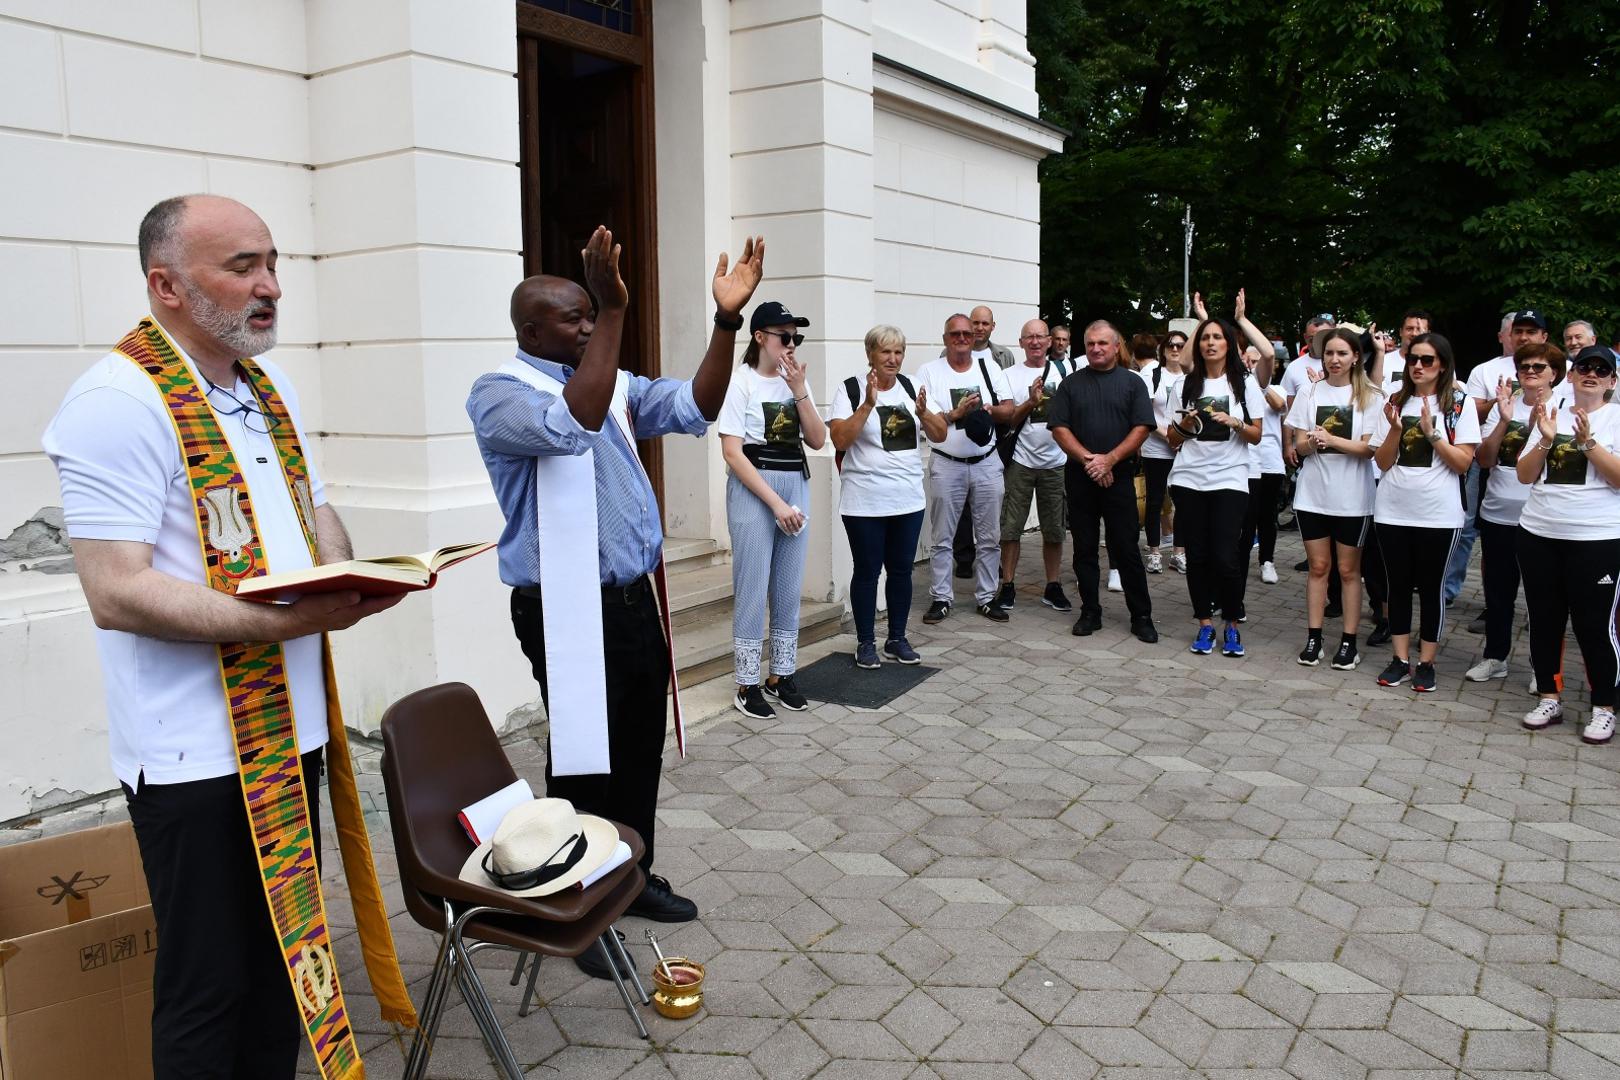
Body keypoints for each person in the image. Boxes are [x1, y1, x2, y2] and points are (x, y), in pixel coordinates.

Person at [42, 194, 414, 1076]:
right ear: (166, 284)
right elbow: (115, 592)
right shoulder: (117, 399)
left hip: (293, 738)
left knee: (284, 972)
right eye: (241, 266)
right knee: (208, 990)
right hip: (197, 759)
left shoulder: (262, 384)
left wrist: (347, 577)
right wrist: (289, 619)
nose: (271, 286)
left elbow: (312, 510)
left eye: (272, 263)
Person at [469, 227, 768, 975]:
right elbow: (574, 424)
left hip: (632, 600)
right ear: (531, 329)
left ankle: (628, 879)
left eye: (589, 314)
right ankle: (576, 907)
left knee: (637, 750)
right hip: (566, 608)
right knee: (583, 764)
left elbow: (697, 407)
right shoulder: (499, 393)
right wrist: (612, 310)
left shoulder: (614, 379)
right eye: (573, 317)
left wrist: (727, 321)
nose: (586, 325)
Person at [719, 301, 828, 718]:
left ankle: (782, 674)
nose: (791, 344)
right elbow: (732, 451)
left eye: (796, 337)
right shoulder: (740, 382)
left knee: (788, 584)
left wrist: (800, 390)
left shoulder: (795, 380)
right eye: (785, 336)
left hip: (794, 482)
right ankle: (746, 683)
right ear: (761, 337)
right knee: (751, 584)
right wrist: (777, 503)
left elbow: (818, 440)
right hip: (756, 488)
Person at [1516, 345, 1620, 744]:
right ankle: (1549, 697)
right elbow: (1525, 475)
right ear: (1572, 376)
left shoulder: (1614, 419)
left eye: (1601, 370)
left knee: (1595, 625)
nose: (1591, 374)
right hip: (1539, 533)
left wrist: (1589, 444)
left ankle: (1604, 707)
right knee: (1544, 619)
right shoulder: (1550, 413)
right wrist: (1544, 439)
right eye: (1584, 368)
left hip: (1597, 539)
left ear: (1611, 381)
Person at [1369, 333, 1480, 692]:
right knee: (1396, 586)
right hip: (1392, 509)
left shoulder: (1458, 404)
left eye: (1427, 360)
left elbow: (1463, 464)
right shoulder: (1394, 400)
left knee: (1431, 589)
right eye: (1414, 358)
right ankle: (1400, 659)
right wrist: (1396, 431)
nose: (1418, 365)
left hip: (1438, 513)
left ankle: (1427, 662)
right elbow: (1383, 462)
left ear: (1443, 365)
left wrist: (1433, 435)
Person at [1046, 320, 1158, 642]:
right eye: (1091, 343)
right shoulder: (1071, 384)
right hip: (1080, 478)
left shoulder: (1133, 383)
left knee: (1126, 548)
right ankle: (1090, 611)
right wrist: (1090, 461)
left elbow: (1141, 427)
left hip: (1120, 477)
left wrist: (1109, 460)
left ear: (1116, 346)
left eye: (1103, 343)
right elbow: (1059, 428)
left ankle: (1141, 616)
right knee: (1083, 549)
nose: (1096, 348)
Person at [829, 325, 927, 669]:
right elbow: (840, 440)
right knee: (868, 571)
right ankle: (866, 642)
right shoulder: (852, 388)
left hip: (908, 499)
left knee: (901, 571)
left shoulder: (913, 386)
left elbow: (940, 433)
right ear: (870, 353)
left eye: (898, 352)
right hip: (864, 501)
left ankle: (897, 638)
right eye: (886, 352)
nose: (893, 358)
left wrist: (927, 413)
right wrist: (868, 405)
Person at [1467, 342, 1566, 683]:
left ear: (1555, 373)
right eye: (1524, 367)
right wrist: (1504, 421)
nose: (1531, 373)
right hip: (1498, 513)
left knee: (1544, 599)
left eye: (1539, 367)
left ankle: (1545, 668)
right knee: (1498, 593)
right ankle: (1496, 656)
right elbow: (1484, 460)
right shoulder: (1503, 408)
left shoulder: (1564, 409)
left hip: (1543, 520)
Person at [1167, 317, 1265, 657]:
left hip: (1230, 477)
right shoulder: (1184, 385)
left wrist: (1236, 422)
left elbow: (1257, 435)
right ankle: (1205, 625)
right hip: (1189, 477)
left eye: (1217, 337)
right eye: (1205, 337)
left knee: (1226, 557)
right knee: (1197, 555)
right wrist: (1184, 424)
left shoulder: (1243, 383)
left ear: (1228, 344)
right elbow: (1172, 440)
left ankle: (1233, 624)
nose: (1210, 343)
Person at [1286, 327, 1382, 670]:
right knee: (1318, 568)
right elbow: (1298, 444)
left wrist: (1331, 440)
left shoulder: (1370, 395)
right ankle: (1314, 638)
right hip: (1312, 495)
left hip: (1353, 498)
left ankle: (1348, 642)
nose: (1335, 359)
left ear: (1356, 356)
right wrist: (1311, 443)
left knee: (1347, 570)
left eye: (1342, 353)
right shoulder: (1309, 392)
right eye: (1329, 353)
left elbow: (1370, 449)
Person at [919, 313, 1015, 624]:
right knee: (942, 537)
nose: (961, 339)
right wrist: (954, 413)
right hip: (947, 463)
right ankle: (941, 597)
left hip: (986, 461)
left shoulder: (989, 368)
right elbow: (930, 422)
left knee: (989, 536)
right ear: (945, 339)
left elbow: (1009, 410)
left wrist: (990, 410)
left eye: (966, 334)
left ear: (974, 338)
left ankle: (987, 597)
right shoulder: (929, 372)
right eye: (954, 334)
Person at [995, 319, 1074, 613]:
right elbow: (1008, 420)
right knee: (1011, 527)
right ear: (1021, 342)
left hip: (1057, 461)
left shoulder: (1067, 372)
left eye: (1041, 337)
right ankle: (1008, 585)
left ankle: (1053, 586)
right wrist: (1030, 402)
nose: (1036, 342)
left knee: (1054, 529)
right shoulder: (1008, 375)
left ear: (1050, 341)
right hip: (1021, 461)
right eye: (1030, 337)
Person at [950, 304, 1016, 575]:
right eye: (974, 323)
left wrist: (993, 412)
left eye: (984, 324)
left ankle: (993, 558)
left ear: (992, 326)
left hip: (994, 436)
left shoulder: (1003, 356)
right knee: (962, 504)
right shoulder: (950, 354)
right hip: (959, 435)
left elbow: (1008, 396)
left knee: (992, 499)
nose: (978, 329)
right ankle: (965, 557)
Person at [1241, 343, 1288, 589]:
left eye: (1255, 360)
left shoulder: (1274, 387)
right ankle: (1240, 563)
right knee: (1247, 517)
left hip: (1269, 460)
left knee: (1267, 515)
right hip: (1247, 460)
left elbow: (1279, 406)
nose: (1250, 363)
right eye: (1247, 359)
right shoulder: (1238, 384)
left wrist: (1260, 383)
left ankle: (1267, 560)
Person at [1141, 330, 1187, 574]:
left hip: (1183, 448)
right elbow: (1145, 413)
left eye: (1181, 345)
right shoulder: (1153, 374)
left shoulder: (1192, 377)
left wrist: (1180, 439)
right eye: (1171, 345)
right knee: (1155, 501)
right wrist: (1168, 436)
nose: (1175, 349)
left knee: (1182, 501)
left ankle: (1179, 553)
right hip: (1156, 447)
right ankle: (1154, 552)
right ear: (1163, 348)